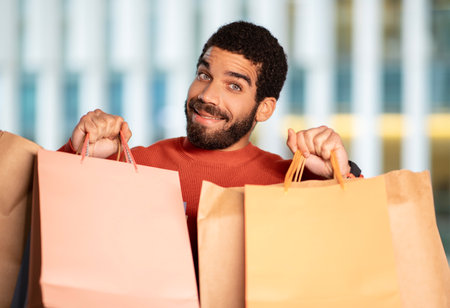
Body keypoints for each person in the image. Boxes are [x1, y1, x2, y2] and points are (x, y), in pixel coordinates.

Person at [60, 21, 361, 277]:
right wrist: (77, 152)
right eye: (204, 75)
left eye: (234, 86)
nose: (207, 95)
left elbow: (368, 251)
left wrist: (340, 176)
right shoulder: (133, 164)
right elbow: (41, 222)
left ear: (264, 109)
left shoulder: (292, 183)